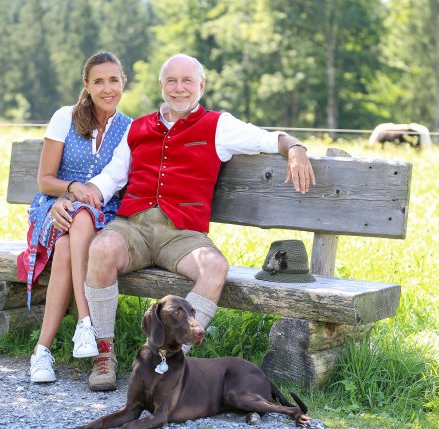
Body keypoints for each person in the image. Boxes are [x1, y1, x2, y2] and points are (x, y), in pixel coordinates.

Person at [51, 54, 317, 391]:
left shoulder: (219, 126)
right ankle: (104, 355)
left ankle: (171, 361)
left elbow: (267, 139)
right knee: (101, 248)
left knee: (215, 267)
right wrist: (75, 196)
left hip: (182, 234)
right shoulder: (138, 127)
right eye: (172, 81)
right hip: (133, 226)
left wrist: (294, 148)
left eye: (187, 81)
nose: (179, 89)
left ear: (201, 86)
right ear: (161, 86)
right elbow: (110, 179)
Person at [16, 52, 132, 383]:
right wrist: (70, 190)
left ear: (123, 81)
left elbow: (114, 182)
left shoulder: (129, 129)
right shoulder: (65, 117)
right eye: (98, 81)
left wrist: (82, 198)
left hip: (99, 214)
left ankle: (42, 351)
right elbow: (44, 180)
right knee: (77, 217)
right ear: (87, 85)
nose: (107, 88)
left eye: (113, 80)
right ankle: (85, 323)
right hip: (53, 207)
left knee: (70, 242)